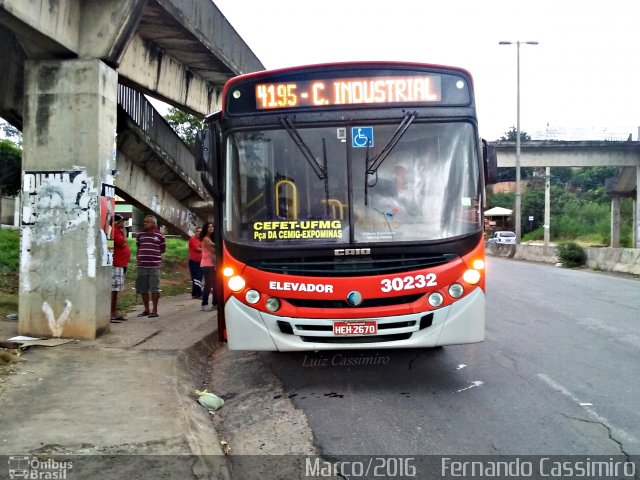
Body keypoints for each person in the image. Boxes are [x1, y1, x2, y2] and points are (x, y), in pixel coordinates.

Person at [135, 215, 166, 318]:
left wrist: (153, 256)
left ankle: (154, 310)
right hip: (142, 265)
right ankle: (146, 309)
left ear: (153, 224)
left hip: (154, 266)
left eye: (147, 222)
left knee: (154, 288)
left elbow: (162, 249)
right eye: (144, 221)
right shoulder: (140, 235)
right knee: (143, 289)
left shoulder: (160, 236)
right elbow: (138, 248)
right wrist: (138, 260)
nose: (145, 223)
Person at [110, 214, 131, 323]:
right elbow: (122, 244)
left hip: (121, 264)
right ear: (118, 222)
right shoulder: (115, 231)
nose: (124, 224)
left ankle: (114, 311)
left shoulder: (118, 231)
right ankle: (112, 312)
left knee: (116, 289)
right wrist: (124, 234)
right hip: (117, 264)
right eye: (123, 221)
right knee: (114, 289)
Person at [199, 222, 216, 311]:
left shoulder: (210, 238)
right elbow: (214, 249)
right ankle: (204, 304)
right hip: (207, 264)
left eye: (212, 226)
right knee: (208, 285)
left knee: (214, 285)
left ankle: (214, 303)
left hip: (212, 264)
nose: (211, 228)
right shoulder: (206, 239)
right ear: (206, 228)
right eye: (209, 227)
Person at [188, 226, 203, 299]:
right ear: (195, 232)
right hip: (194, 262)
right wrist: (206, 248)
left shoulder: (202, 240)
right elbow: (197, 249)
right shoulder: (193, 239)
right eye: (198, 231)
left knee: (198, 277)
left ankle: (194, 293)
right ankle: (199, 294)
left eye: (201, 231)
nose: (199, 233)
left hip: (201, 261)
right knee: (196, 278)